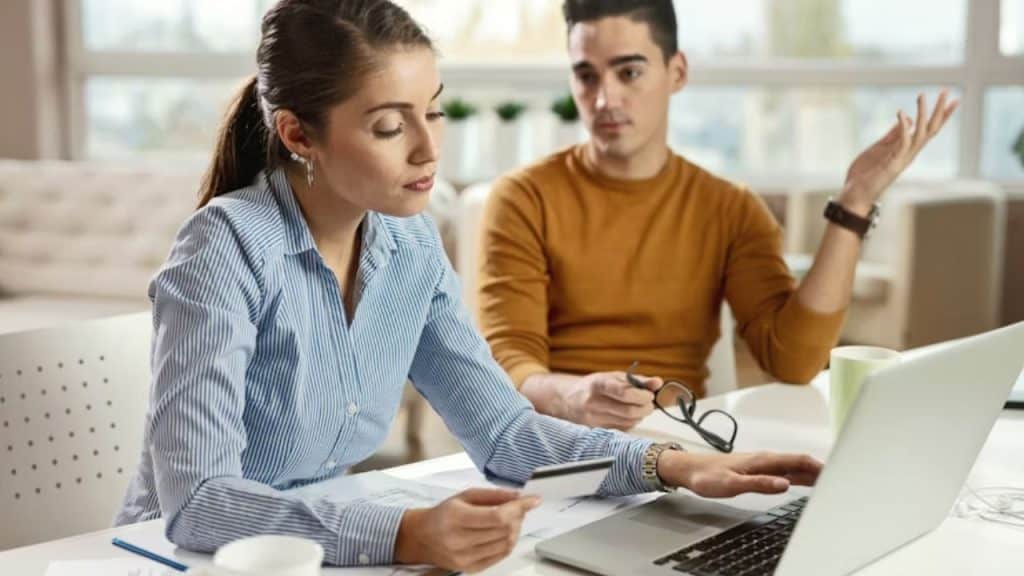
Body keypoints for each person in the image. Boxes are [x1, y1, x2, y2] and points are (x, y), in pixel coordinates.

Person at [113, 0, 822, 572]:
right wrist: (406, 533)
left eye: (436, 111)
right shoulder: (224, 248)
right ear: (300, 135)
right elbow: (199, 501)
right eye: (391, 126)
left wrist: (675, 464)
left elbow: (506, 433)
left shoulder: (409, 242)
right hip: (181, 559)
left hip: (325, 557)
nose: (429, 147)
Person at [477, 0, 957, 431]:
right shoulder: (523, 198)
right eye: (586, 76)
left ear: (677, 72)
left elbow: (792, 360)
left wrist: (853, 204)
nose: (605, 99)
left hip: (680, 451)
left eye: (628, 73)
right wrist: (574, 397)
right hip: (556, 441)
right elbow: (509, 363)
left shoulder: (729, 208)